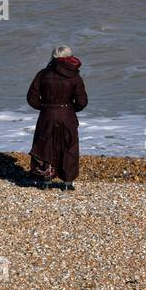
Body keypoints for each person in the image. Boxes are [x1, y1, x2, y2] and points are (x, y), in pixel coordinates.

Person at [26, 45, 88, 186]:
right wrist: (71, 109)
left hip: (47, 115)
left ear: (53, 56)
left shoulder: (42, 74)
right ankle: (68, 181)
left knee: (45, 145)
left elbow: (31, 98)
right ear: (69, 57)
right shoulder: (75, 76)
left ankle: (45, 179)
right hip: (67, 115)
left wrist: (44, 107)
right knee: (69, 146)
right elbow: (82, 101)